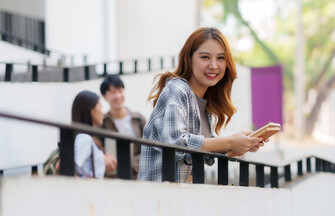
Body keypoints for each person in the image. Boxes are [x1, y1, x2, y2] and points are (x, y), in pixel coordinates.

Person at [138, 27, 265, 183]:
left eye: (220, 58)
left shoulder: (203, 102)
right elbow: (176, 143)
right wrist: (230, 142)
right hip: (157, 196)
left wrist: (239, 144)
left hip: (179, 197)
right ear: (189, 59)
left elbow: (201, 149)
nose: (213, 65)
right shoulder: (177, 89)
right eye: (205, 57)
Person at [97, 75, 146, 177]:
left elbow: (148, 149)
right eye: (113, 92)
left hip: (137, 176)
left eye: (120, 91)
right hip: (112, 178)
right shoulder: (102, 122)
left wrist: (129, 163)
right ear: (104, 96)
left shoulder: (138, 119)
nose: (118, 96)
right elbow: (98, 149)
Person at [71, 90, 117, 179]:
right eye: (100, 107)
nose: (102, 112)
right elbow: (69, 169)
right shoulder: (84, 138)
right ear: (92, 111)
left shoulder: (83, 137)